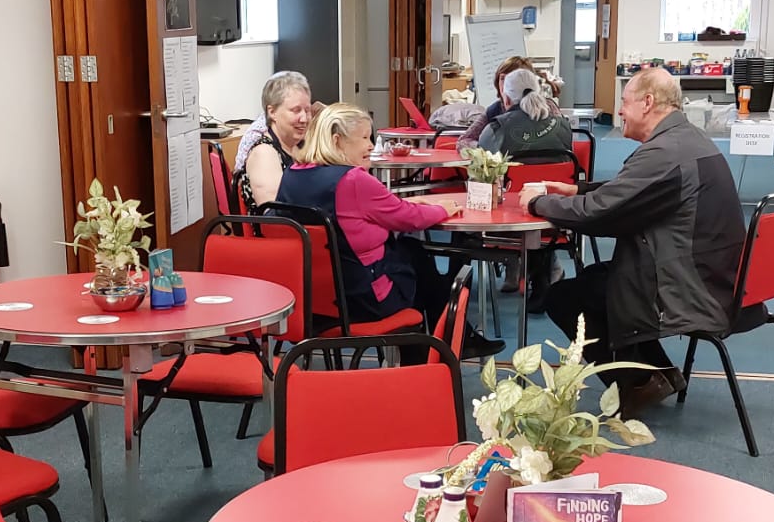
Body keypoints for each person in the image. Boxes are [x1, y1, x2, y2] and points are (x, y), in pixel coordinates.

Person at [521, 67, 744, 415]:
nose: (620, 111)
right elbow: (637, 193)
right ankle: (655, 373)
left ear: (648, 103)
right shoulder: (685, 140)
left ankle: (637, 382)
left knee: (565, 297)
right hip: (706, 273)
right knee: (597, 280)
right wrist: (578, 189)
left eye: (624, 102)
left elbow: (599, 214)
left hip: (686, 287)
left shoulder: (664, 152)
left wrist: (539, 203)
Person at [277, 103, 501, 356]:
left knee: (412, 258)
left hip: (308, 302)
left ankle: (443, 345)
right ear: (337, 141)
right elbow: (409, 218)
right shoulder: (352, 180)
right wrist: (444, 209)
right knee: (414, 255)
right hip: (360, 301)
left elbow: (358, 215)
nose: (372, 145)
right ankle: (447, 344)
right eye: (364, 138)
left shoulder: (291, 176)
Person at [234, 71, 313, 210]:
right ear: (272, 112)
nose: (304, 118)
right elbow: (275, 217)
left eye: (307, 110)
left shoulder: (298, 144)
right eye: (296, 110)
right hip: (283, 230)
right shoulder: (264, 154)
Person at [478, 68, 573, 160]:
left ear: (506, 99)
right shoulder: (564, 126)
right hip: (556, 176)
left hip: (514, 176)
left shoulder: (496, 129)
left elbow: (482, 166)